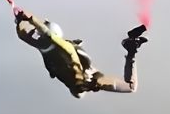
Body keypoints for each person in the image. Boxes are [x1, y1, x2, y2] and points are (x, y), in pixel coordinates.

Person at [14, 8, 147, 98]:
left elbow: (51, 37)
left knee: (131, 87)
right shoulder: (44, 47)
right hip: (84, 78)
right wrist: (19, 20)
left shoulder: (59, 45)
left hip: (90, 77)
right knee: (79, 92)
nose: (36, 36)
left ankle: (131, 50)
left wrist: (31, 19)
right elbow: (23, 36)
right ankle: (131, 49)